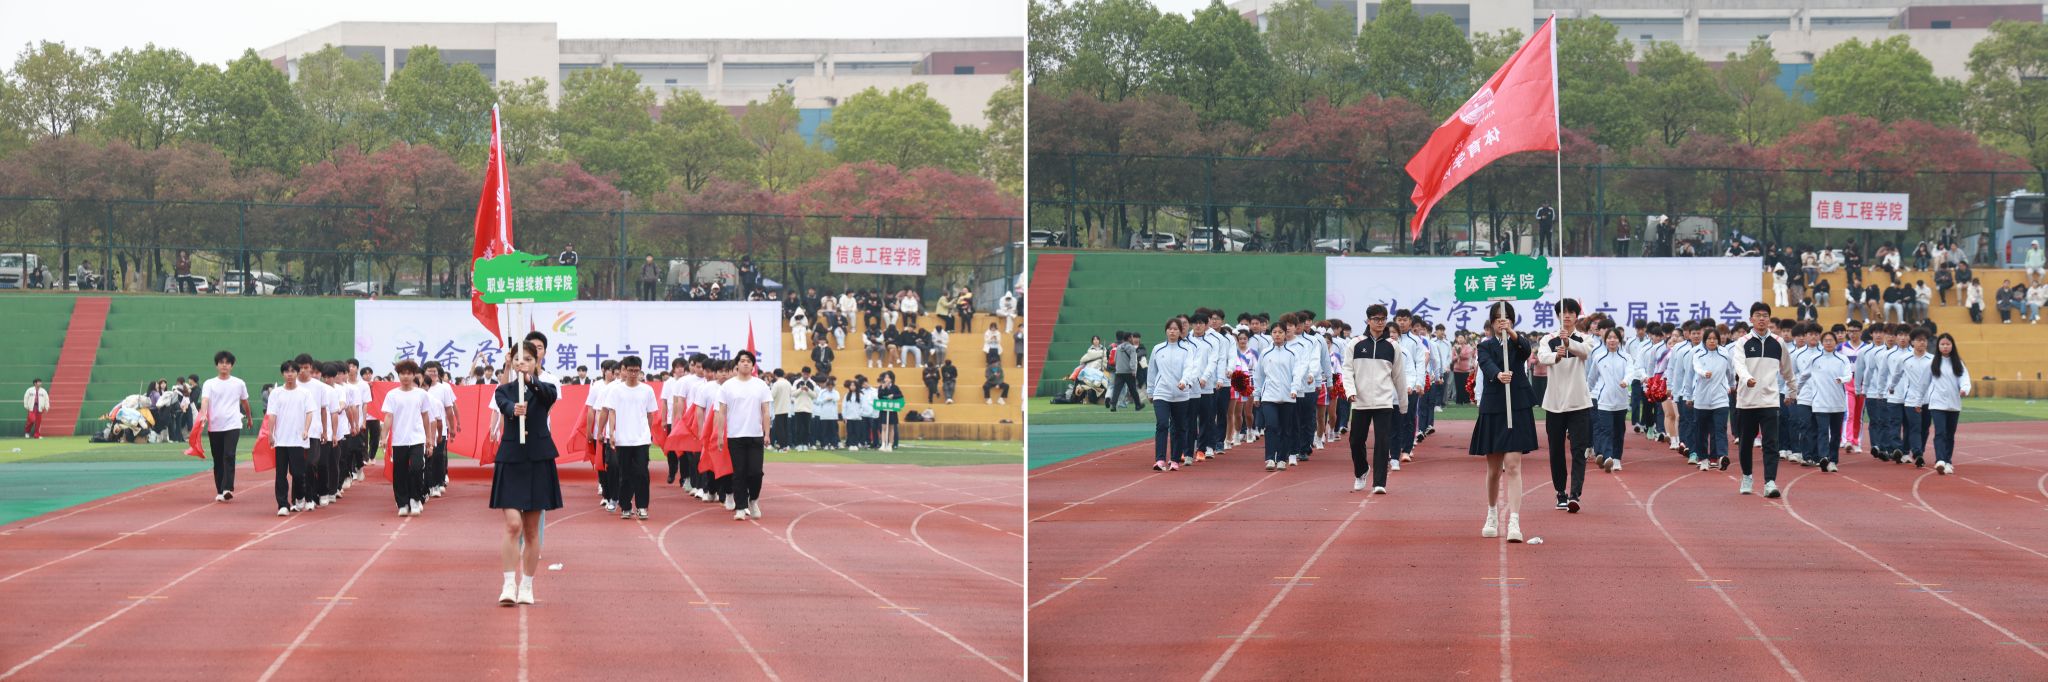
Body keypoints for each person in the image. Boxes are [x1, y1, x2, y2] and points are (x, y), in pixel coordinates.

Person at [491, 341, 562, 606]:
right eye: (518, 359)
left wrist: (530, 380)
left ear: (536, 362)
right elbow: (504, 405)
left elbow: (546, 397)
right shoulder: (504, 390)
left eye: (529, 359)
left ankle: (527, 585)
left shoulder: (546, 388)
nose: (523, 363)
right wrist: (513, 409)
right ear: (510, 361)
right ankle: (509, 583)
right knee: (513, 524)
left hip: (538, 459)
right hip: (511, 459)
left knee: (532, 530)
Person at [1471, 302, 1536, 543]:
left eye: (1506, 317)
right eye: (1498, 317)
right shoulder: (1485, 346)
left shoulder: (1518, 342)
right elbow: (1486, 363)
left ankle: (1514, 521)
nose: (1502, 320)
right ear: (1491, 321)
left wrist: (1511, 333)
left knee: (1513, 465)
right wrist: (1498, 375)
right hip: (1494, 408)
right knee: (1494, 469)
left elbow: (1526, 350)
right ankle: (1491, 514)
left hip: (1517, 406)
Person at [1731, 302, 1795, 498]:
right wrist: (1746, 378)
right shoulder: (1742, 342)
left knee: (1771, 443)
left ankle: (1770, 482)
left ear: (1769, 319)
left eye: (1765, 315)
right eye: (1758, 315)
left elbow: (1787, 370)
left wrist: (1792, 391)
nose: (1761, 319)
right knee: (1746, 443)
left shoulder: (1778, 342)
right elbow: (1739, 365)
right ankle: (1747, 477)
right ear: (1751, 319)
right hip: (1747, 401)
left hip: (1770, 400)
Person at [1537, 299, 1595, 513]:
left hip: (1579, 402)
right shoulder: (1548, 339)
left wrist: (1568, 343)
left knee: (1579, 450)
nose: (1567, 316)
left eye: (1571, 312)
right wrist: (1556, 355)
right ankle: (1560, 492)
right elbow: (1542, 357)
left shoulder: (1585, 338)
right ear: (1558, 316)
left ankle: (1575, 495)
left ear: (1577, 316)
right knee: (1556, 450)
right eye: (1563, 312)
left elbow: (1585, 352)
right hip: (1554, 403)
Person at [1341, 304, 1406, 494]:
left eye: (1383, 319)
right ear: (1368, 321)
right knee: (1356, 441)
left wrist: (1403, 405)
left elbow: (1399, 377)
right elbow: (1347, 370)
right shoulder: (1355, 343)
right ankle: (1361, 471)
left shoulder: (1393, 346)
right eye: (1376, 319)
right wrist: (1350, 391)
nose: (1380, 322)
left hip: (1384, 401)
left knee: (1382, 442)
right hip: (1360, 401)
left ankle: (1379, 482)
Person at [602, 355, 660, 520]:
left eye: (636, 371)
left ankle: (642, 506)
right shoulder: (616, 390)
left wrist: (647, 432)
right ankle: (626, 506)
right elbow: (612, 412)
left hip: (641, 439)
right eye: (630, 370)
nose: (633, 374)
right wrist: (611, 433)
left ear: (640, 371)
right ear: (624, 371)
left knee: (642, 473)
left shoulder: (647, 390)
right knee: (625, 474)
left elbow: (650, 414)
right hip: (623, 439)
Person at [718, 351, 773, 521]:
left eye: (749, 361)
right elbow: (721, 412)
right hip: (735, 435)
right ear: (737, 364)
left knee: (756, 472)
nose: (745, 363)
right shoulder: (727, 386)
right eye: (742, 361)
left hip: (755, 434)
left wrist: (767, 433)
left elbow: (766, 411)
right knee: (739, 473)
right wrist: (720, 435)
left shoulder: (760, 385)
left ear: (753, 365)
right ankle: (740, 507)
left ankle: (753, 500)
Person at [382, 360, 433, 518]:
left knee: (417, 468)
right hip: (399, 440)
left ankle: (415, 499)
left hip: (417, 438)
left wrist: (429, 438)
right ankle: (402, 503)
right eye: (402, 374)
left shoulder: (421, 394)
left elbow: (426, 416)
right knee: (400, 472)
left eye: (408, 373)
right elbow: (388, 416)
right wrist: (384, 437)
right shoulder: (392, 395)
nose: (405, 376)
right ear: (398, 375)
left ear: (413, 375)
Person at [266, 360, 316, 517]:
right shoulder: (276, 393)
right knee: (280, 474)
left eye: (293, 371)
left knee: (298, 473)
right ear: (283, 374)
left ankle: (299, 497)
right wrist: (270, 433)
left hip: (298, 440)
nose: (290, 374)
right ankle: (282, 504)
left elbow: (309, 412)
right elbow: (272, 415)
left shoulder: (305, 393)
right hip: (281, 440)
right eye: (287, 371)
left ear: (297, 373)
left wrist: (306, 430)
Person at [202, 351, 250, 503]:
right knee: (218, 458)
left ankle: (228, 488)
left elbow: (245, 402)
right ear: (216, 365)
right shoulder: (209, 383)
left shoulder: (239, 383)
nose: (224, 365)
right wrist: (203, 414)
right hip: (215, 426)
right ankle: (220, 490)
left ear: (232, 366)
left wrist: (249, 418)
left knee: (229, 454)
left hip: (233, 424)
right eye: (221, 362)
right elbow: (205, 400)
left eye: (227, 363)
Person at [1588, 329, 1636, 473]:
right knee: (1606, 430)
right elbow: (1592, 378)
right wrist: (1588, 393)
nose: (1612, 340)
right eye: (1609, 338)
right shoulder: (1599, 357)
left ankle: (1616, 459)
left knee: (1619, 431)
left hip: (1621, 401)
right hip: (1604, 401)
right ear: (1605, 340)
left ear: (1619, 340)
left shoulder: (1626, 357)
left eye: (1615, 338)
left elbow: (1630, 372)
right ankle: (1608, 456)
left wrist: (1626, 381)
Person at [1888, 329, 1934, 468]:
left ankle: (1920, 450)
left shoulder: (1932, 359)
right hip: (1911, 400)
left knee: (1925, 428)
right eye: (1919, 340)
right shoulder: (1904, 359)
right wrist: (1892, 386)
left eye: (1924, 340)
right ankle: (1917, 453)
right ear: (1912, 342)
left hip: (1928, 400)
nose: (1922, 343)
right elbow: (1897, 374)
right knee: (1915, 427)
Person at [1925, 333, 1970, 475]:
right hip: (1937, 403)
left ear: (1952, 346)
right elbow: (1924, 383)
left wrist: (1964, 389)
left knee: (1950, 434)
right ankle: (1940, 460)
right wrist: (1919, 401)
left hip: (1953, 404)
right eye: (1942, 344)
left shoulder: (1958, 363)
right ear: (1938, 346)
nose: (1945, 347)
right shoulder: (1932, 362)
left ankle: (1948, 461)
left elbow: (1965, 379)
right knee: (1940, 432)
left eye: (1948, 344)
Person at [876, 372, 904, 451]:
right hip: (884, 409)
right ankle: (883, 444)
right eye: (885, 377)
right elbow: (879, 396)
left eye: (888, 377)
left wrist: (893, 396)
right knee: (883, 427)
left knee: (891, 427)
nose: (886, 379)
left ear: (892, 379)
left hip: (892, 409)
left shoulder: (895, 387)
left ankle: (890, 444)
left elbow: (900, 395)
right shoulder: (881, 387)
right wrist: (883, 387)